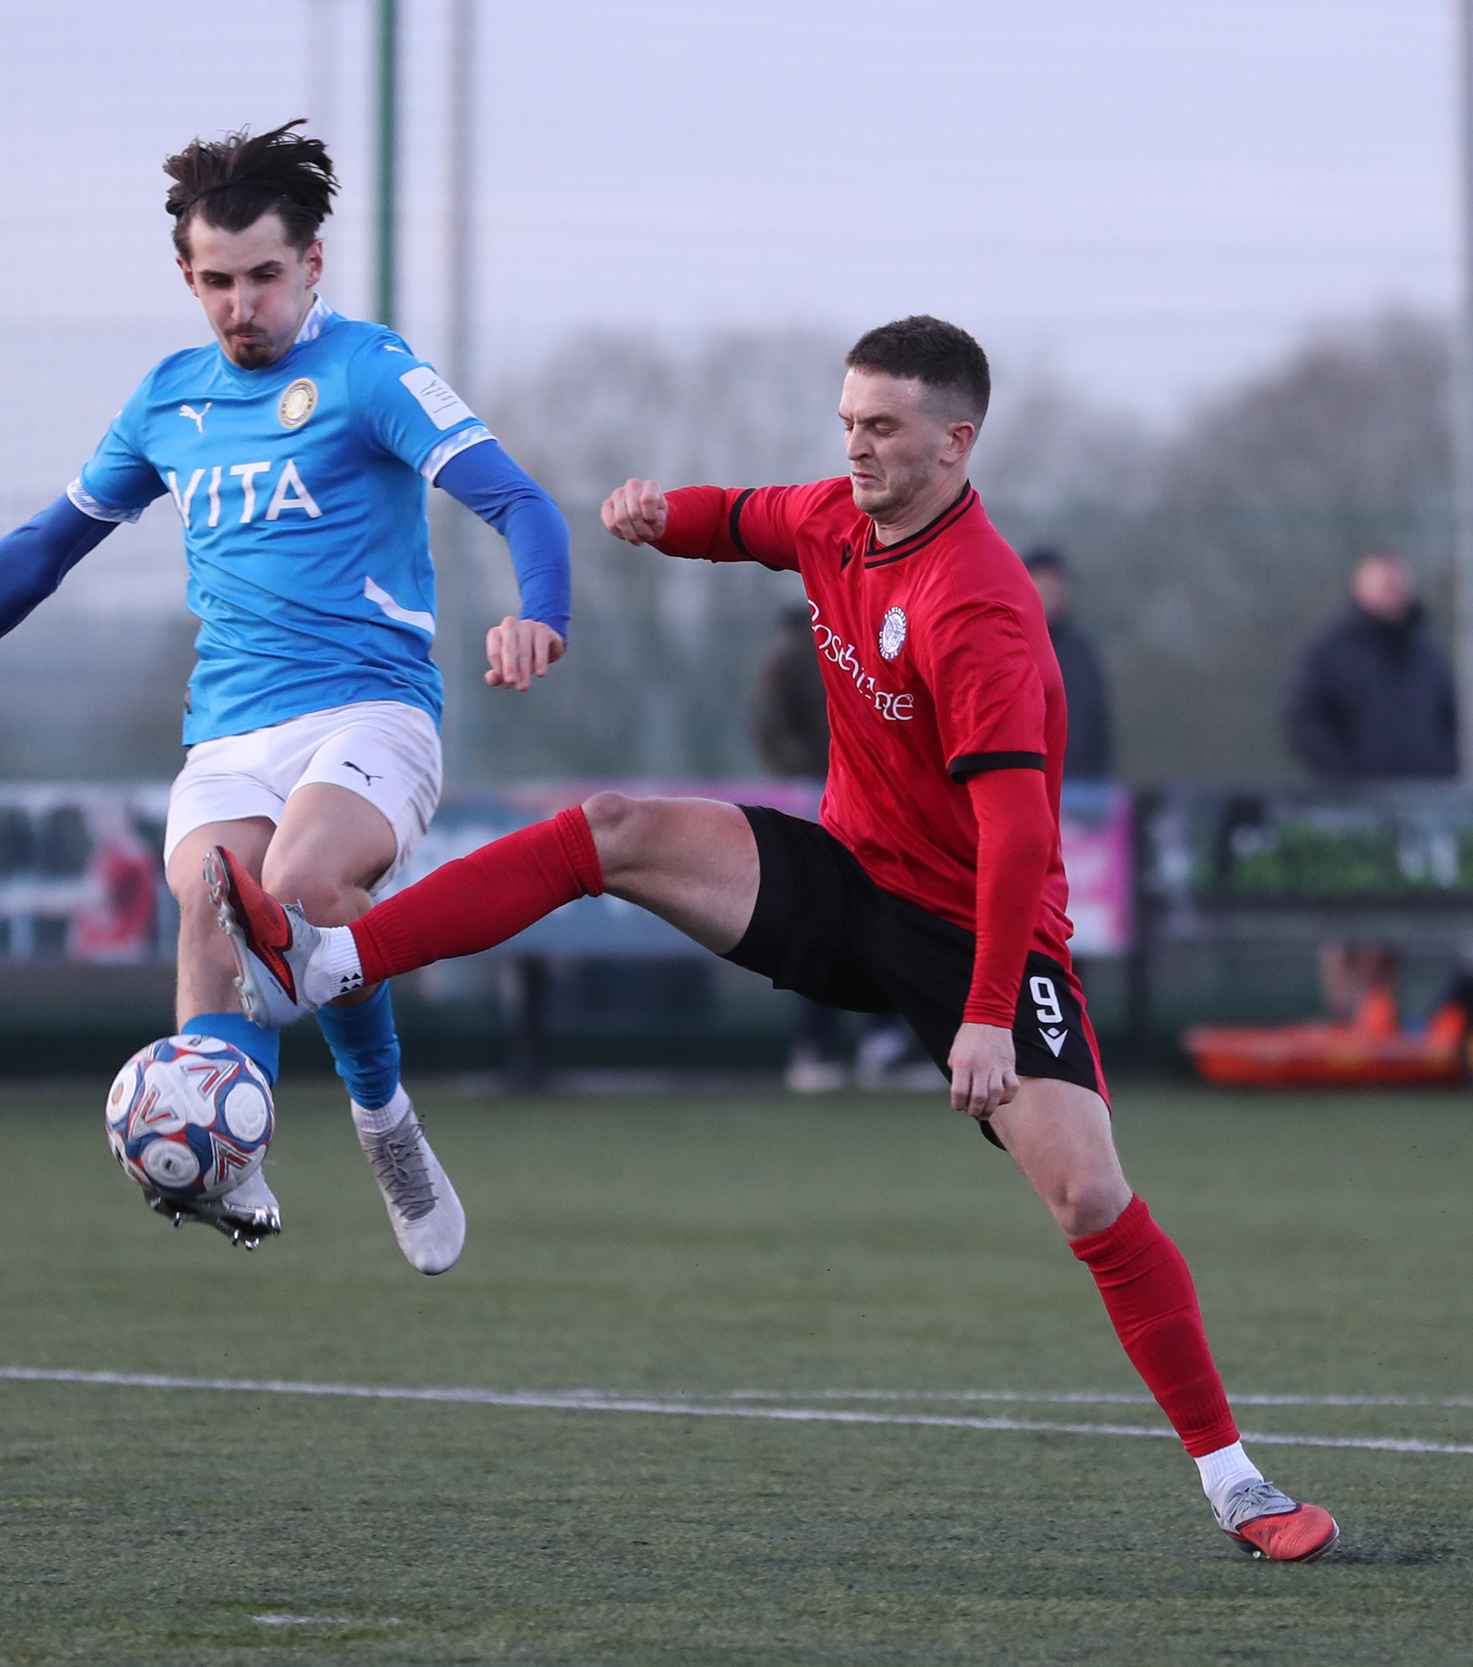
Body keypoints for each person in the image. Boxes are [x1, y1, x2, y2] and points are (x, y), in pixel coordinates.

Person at [211, 316, 1339, 1561]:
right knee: (615, 825)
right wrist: (655, 514)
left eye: (882, 428)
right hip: (842, 875)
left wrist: (978, 1011)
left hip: (978, 936)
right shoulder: (834, 515)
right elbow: (741, 518)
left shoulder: (982, 612)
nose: (853, 447)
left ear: (957, 443)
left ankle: (1236, 1482)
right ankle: (330, 961)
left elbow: (1018, 839)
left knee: (1086, 1193)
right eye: (846, 421)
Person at [0, 122, 570, 1270]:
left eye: (264, 278)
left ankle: (384, 1120)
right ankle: (231, 1146)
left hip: (370, 707)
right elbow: (41, 549)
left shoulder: (371, 371)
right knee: (214, 907)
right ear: (187, 276)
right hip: (226, 734)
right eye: (216, 282)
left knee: (304, 882)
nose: (240, 305)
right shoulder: (167, 400)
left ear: (311, 264)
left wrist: (539, 610)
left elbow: (521, 500)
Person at [750, 603, 930, 1093]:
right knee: (823, 922)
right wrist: (823, 775)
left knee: (889, 918)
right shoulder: (795, 651)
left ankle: (884, 1048)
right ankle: (815, 1049)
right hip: (823, 806)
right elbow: (770, 731)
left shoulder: (888, 626)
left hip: (886, 807)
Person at [1284, 551, 1458, 779]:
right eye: (1388, 587)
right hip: (1353, 803)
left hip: (1425, 797)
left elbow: (1449, 719)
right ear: (1361, 590)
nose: (1397, 595)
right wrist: (1344, 774)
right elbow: (1303, 720)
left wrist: (1443, 768)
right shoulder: (1326, 652)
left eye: (1401, 587)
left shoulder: (1427, 653)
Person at [1021, 547, 1112, 779]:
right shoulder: (1009, 646)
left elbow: (1095, 723)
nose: (1052, 594)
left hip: (1080, 785)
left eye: (1057, 586)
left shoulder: (1082, 651)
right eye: (1043, 585)